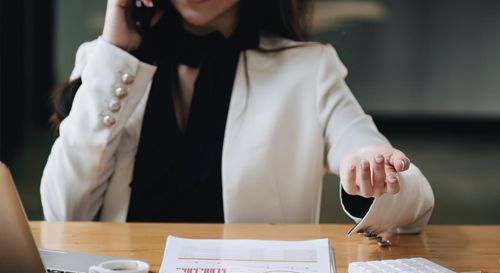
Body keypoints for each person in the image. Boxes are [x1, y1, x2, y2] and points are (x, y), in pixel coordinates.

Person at [41, 0, 434, 234]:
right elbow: (62, 215)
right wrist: (117, 48)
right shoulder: (105, 61)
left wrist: (372, 170)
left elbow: (413, 199)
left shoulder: (308, 69)